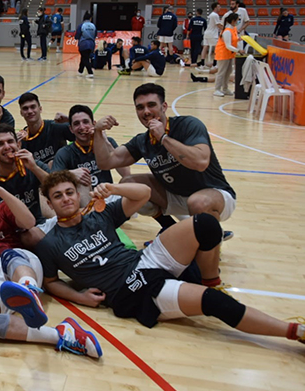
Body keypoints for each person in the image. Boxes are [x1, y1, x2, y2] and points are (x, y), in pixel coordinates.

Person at [36, 170, 305, 347]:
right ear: (49, 203)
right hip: (131, 288)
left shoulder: (99, 214)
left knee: (206, 225)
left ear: (78, 193)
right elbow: (50, 282)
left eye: (69, 192)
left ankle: (211, 281)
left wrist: (114, 188)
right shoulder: (50, 243)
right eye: (58, 196)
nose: (66, 199)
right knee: (215, 303)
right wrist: (80, 297)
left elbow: (144, 193)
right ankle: (294, 331)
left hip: (145, 260)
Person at [0, 165, 102, 358]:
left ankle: (28, 289)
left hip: (20, 263)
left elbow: (29, 222)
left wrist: (0, 191)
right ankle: (60, 335)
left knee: (7, 255)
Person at [93, 82, 236, 253]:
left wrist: (163, 138)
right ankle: (170, 227)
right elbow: (106, 162)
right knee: (129, 184)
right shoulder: (142, 141)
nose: (146, 111)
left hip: (214, 195)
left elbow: (200, 162)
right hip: (177, 196)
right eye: (140, 107)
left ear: (164, 106)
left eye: (151, 105)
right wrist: (98, 132)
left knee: (197, 202)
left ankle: (208, 249)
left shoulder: (188, 125)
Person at [0, 124, 50, 225]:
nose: (7, 147)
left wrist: (34, 168)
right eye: (0, 144)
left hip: (38, 225)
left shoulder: (33, 165)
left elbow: (56, 187)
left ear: (18, 145)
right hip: (6, 232)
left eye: (10, 141)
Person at [52, 104, 129, 196]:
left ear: (94, 124)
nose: (82, 127)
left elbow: (126, 174)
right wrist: (70, 174)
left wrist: (104, 141)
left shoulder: (108, 142)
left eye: (85, 122)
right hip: (82, 199)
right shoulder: (64, 153)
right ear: (71, 129)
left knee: (128, 183)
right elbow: (52, 181)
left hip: (107, 196)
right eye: (76, 124)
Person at [16, 92, 75, 166]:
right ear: (21, 113)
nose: (30, 111)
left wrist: (70, 120)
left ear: (40, 109)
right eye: (25, 108)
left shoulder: (56, 127)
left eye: (33, 107)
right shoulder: (22, 140)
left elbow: (84, 137)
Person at [214, 13, 243, 97]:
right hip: (223, 53)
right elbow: (228, 45)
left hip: (230, 54)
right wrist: (238, 50)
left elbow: (233, 39)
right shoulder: (227, 31)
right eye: (238, 20)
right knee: (221, 72)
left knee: (228, 71)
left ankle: (225, 88)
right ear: (233, 21)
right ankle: (217, 89)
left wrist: (239, 39)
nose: (238, 21)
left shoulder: (233, 29)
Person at [199, 2, 221, 71]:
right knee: (217, 48)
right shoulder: (215, 15)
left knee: (205, 47)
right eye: (219, 7)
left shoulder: (211, 14)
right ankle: (215, 64)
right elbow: (218, 25)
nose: (220, 8)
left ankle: (202, 64)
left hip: (207, 33)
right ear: (215, 8)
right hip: (212, 34)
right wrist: (226, 29)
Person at [74, 11, 96, 77]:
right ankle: (80, 71)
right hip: (91, 44)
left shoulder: (81, 25)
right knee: (84, 57)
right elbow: (95, 35)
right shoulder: (93, 26)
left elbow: (77, 36)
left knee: (85, 59)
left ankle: (90, 73)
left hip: (83, 44)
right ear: (90, 18)